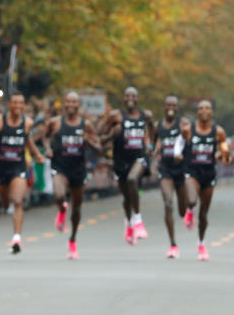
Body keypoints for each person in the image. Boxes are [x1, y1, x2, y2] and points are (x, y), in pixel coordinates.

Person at [0, 91, 44, 254]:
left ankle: (17, 238)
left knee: (17, 200)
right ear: (9, 105)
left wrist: (37, 154)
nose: (18, 106)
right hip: (1, 167)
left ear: (24, 105)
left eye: (21, 103)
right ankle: (6, 205)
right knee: (5, 203)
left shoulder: (27, 122)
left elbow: (27, 139)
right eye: (15, 103)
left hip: (19, 166)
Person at [43, 92, 103, 259]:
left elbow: (99, 148)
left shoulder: (86, 125)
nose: (70, 104)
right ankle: (61, 209)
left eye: (74, 102)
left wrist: (87, 140)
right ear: (64, 104)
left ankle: (72, 241)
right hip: (60, 166)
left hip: (78, 169)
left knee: (77, 207)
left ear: (78, 105)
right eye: (68, 101)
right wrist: (48, 149)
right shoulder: (55, 123)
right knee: (59, 194)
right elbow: (45, 137)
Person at [100, 87, 154, 245]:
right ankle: (129, 222)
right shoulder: (115, 116)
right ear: (124, 99)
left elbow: (152, 131)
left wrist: (150, 147)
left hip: (139, 158)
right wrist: (112, 134)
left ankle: (138, 220)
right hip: (120, 160)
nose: (131, 98)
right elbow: (100, 136)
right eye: (127, 96)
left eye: (134, 96)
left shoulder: (146, 115)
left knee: (132, 180)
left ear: (138, 99)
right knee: (126, 197)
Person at [178, 100, 230, 261]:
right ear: (197, 112)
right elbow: (178, 144)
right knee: (192, 200)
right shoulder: (188, 130)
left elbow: (225, 153)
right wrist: (177, 154)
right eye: (201, 108)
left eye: (207, 108)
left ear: (211, 112)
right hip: (191, 171)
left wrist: (225, 155)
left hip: (208, 174)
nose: (204, 111)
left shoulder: (218, 132)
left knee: (204, 214)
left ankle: (201, 244)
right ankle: (189, 210)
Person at [153, 95, 186, 258]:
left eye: (174, 105)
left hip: (181, 169)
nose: (171, 107)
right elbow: (153, 142)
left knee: (182, 210)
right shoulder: (158, 125)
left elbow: (190, 140)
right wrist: (155, 150)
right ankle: (173, 244)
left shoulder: (183, 124)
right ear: (164, 107)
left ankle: (187, 213)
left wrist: (184, 154)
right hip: (165, 168)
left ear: (177, 107)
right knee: (168, 202)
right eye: (168, 105)